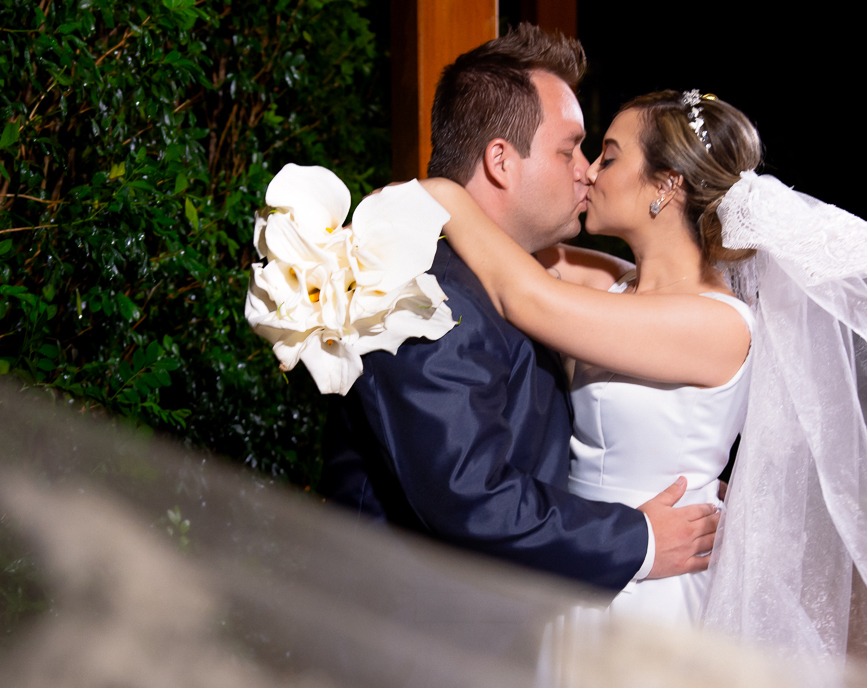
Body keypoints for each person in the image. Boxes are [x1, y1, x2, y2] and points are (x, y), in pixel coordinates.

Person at [319, 25, 719, 593]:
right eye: (570, 149)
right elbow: (469, 496)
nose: (586, 170)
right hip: (418, 648)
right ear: (501, 162)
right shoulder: (421, 291)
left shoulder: (518, 275)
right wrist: (641, 538)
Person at [417, 87, 759, 625]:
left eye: (610, 155)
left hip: (655, 584)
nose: (591, 172)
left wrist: (437, 191)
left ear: (667, 186)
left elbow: (525, 294)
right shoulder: (613, 284)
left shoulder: (716, 323)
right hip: (586, 565)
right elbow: (515, 244)